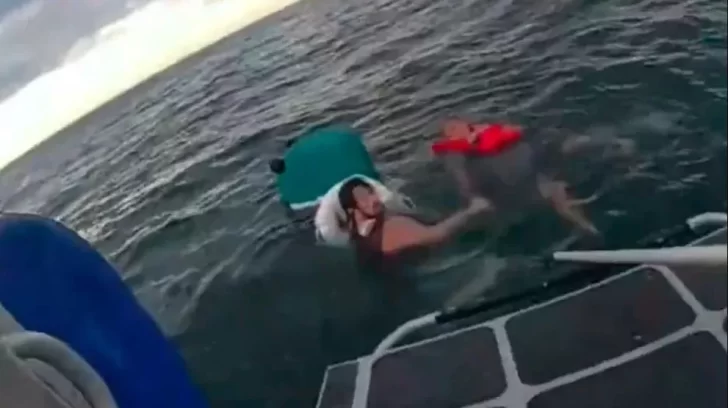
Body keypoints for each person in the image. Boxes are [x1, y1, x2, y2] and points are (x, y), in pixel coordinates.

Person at [438, 118, 620, 237]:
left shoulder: (487, 131)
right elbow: (462, 180)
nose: (456, 129)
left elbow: (525, 131)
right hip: (519, 175)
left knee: (568, 147)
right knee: (554, 191)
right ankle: (589, 229)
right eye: (450, 129)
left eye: (456, 125)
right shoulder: (455, 153)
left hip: (532, 155)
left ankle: (614, 144)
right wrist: (473, 198)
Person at [337, 177, 491, 270]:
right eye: (364, 198)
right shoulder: (392, 228)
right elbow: (438, 235)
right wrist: (472, 210)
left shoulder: (356, 238)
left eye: (371, 192)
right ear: (352, 210)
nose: (374, 199)